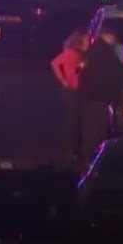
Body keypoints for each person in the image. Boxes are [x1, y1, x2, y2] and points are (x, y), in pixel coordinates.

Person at [78, 25, 123, 160]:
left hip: (94, 100)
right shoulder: (103, 52)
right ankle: (92, 163)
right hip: (97, 101)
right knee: (95, 136)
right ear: (109, 35)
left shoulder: (97, 51)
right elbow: (115, 72)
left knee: (95, 135)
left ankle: (91, 161)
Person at [51, 30, 90, 165]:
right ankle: (73, 150)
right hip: (72, 90)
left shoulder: (81, 55)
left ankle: (77, 149)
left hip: (79, 90)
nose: (88, 42)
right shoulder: (70, 53)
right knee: (73, 120)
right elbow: (55, 63)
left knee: (79, 119)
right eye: (85, 40)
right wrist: (63, 80)